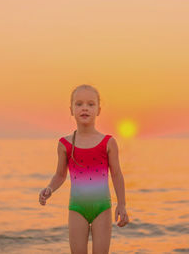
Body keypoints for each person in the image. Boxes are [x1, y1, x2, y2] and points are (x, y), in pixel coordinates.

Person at [39, 84, 129, 253]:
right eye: (79, 104)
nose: (84, 108)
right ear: (71, 110)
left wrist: (122, 204)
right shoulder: (64, 144)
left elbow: (117, 174)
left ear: (99, 110)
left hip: (102, 208)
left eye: (90, 104)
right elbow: (60, 175)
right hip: (77, 208)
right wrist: (50, 188)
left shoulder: (108, 142)